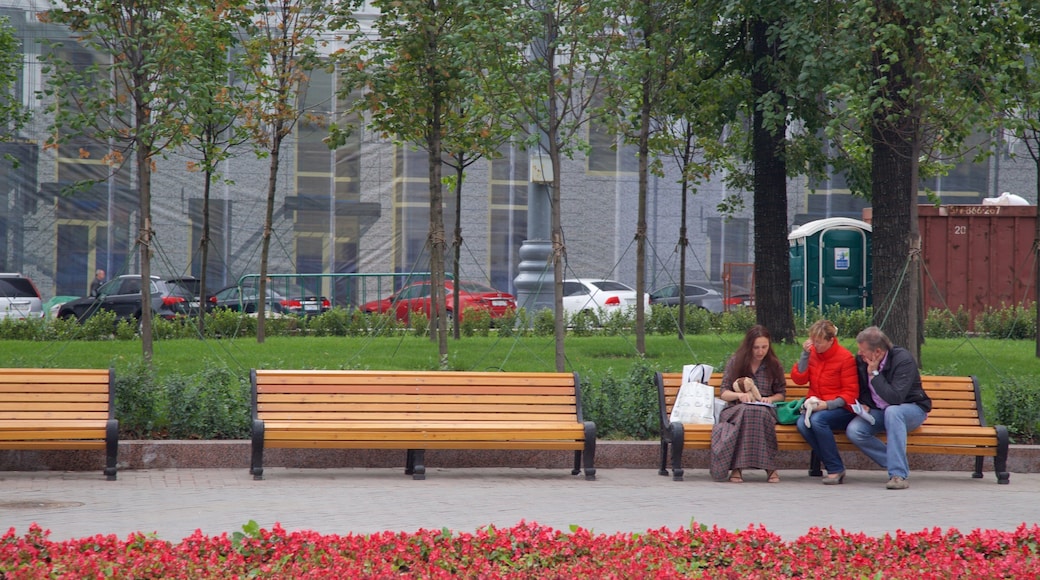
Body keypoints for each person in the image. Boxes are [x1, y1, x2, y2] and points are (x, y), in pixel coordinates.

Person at [846, 326, 931, 490]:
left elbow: (895, 398)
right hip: (879, 411)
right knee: (855, 430)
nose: (859, 353)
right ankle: (895, 460)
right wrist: (863, 403)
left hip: (911, 410)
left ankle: (898, 475)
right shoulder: (862, 360)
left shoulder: (903, 360)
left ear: (877, 352)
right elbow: (862, 389)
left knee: (893, 411)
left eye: (863, 350)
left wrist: (874, 373)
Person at [711, 324, 787, 483]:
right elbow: (724, 392)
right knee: (748, 412)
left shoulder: (774, 365)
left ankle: (738, 469)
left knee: (755, 413)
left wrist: (770, 399)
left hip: (764, 409)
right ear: (749, 346)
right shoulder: (736, 362)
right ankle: (770, 468)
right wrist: (739, 395)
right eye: (756, 348)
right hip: (736, 409)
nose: (760, 352)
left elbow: (781, 394)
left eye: (764, 347)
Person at [791, 320, 859, 484]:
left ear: (831, 340)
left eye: (819, 342)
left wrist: (827, 405)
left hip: (841, 408)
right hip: (817, 405)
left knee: (817, 420)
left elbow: (850, 393)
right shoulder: (813, 354)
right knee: (802, 424)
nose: (815, 345)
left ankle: (834, 469)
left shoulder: (845, 358)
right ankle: (835, 466)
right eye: (813, 341)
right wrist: (805, 355)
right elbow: (799, 379)